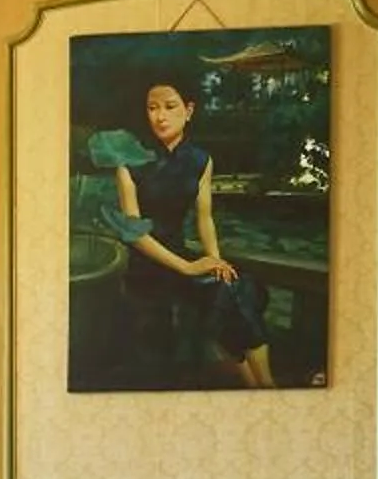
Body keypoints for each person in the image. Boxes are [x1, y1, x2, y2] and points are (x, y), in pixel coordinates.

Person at [105, 81, 275, 388]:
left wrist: (214, 259)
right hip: (146, 266)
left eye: (170, 106)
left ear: (189, 110)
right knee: (231, 295)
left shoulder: (200, 161)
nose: (159, 117)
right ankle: (263, 386)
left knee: (235, 286)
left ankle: (263, 384)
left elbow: (204, 217)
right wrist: (188, 267)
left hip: (180, 255)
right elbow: (134, 233)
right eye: (152, 108)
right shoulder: (128, 161)